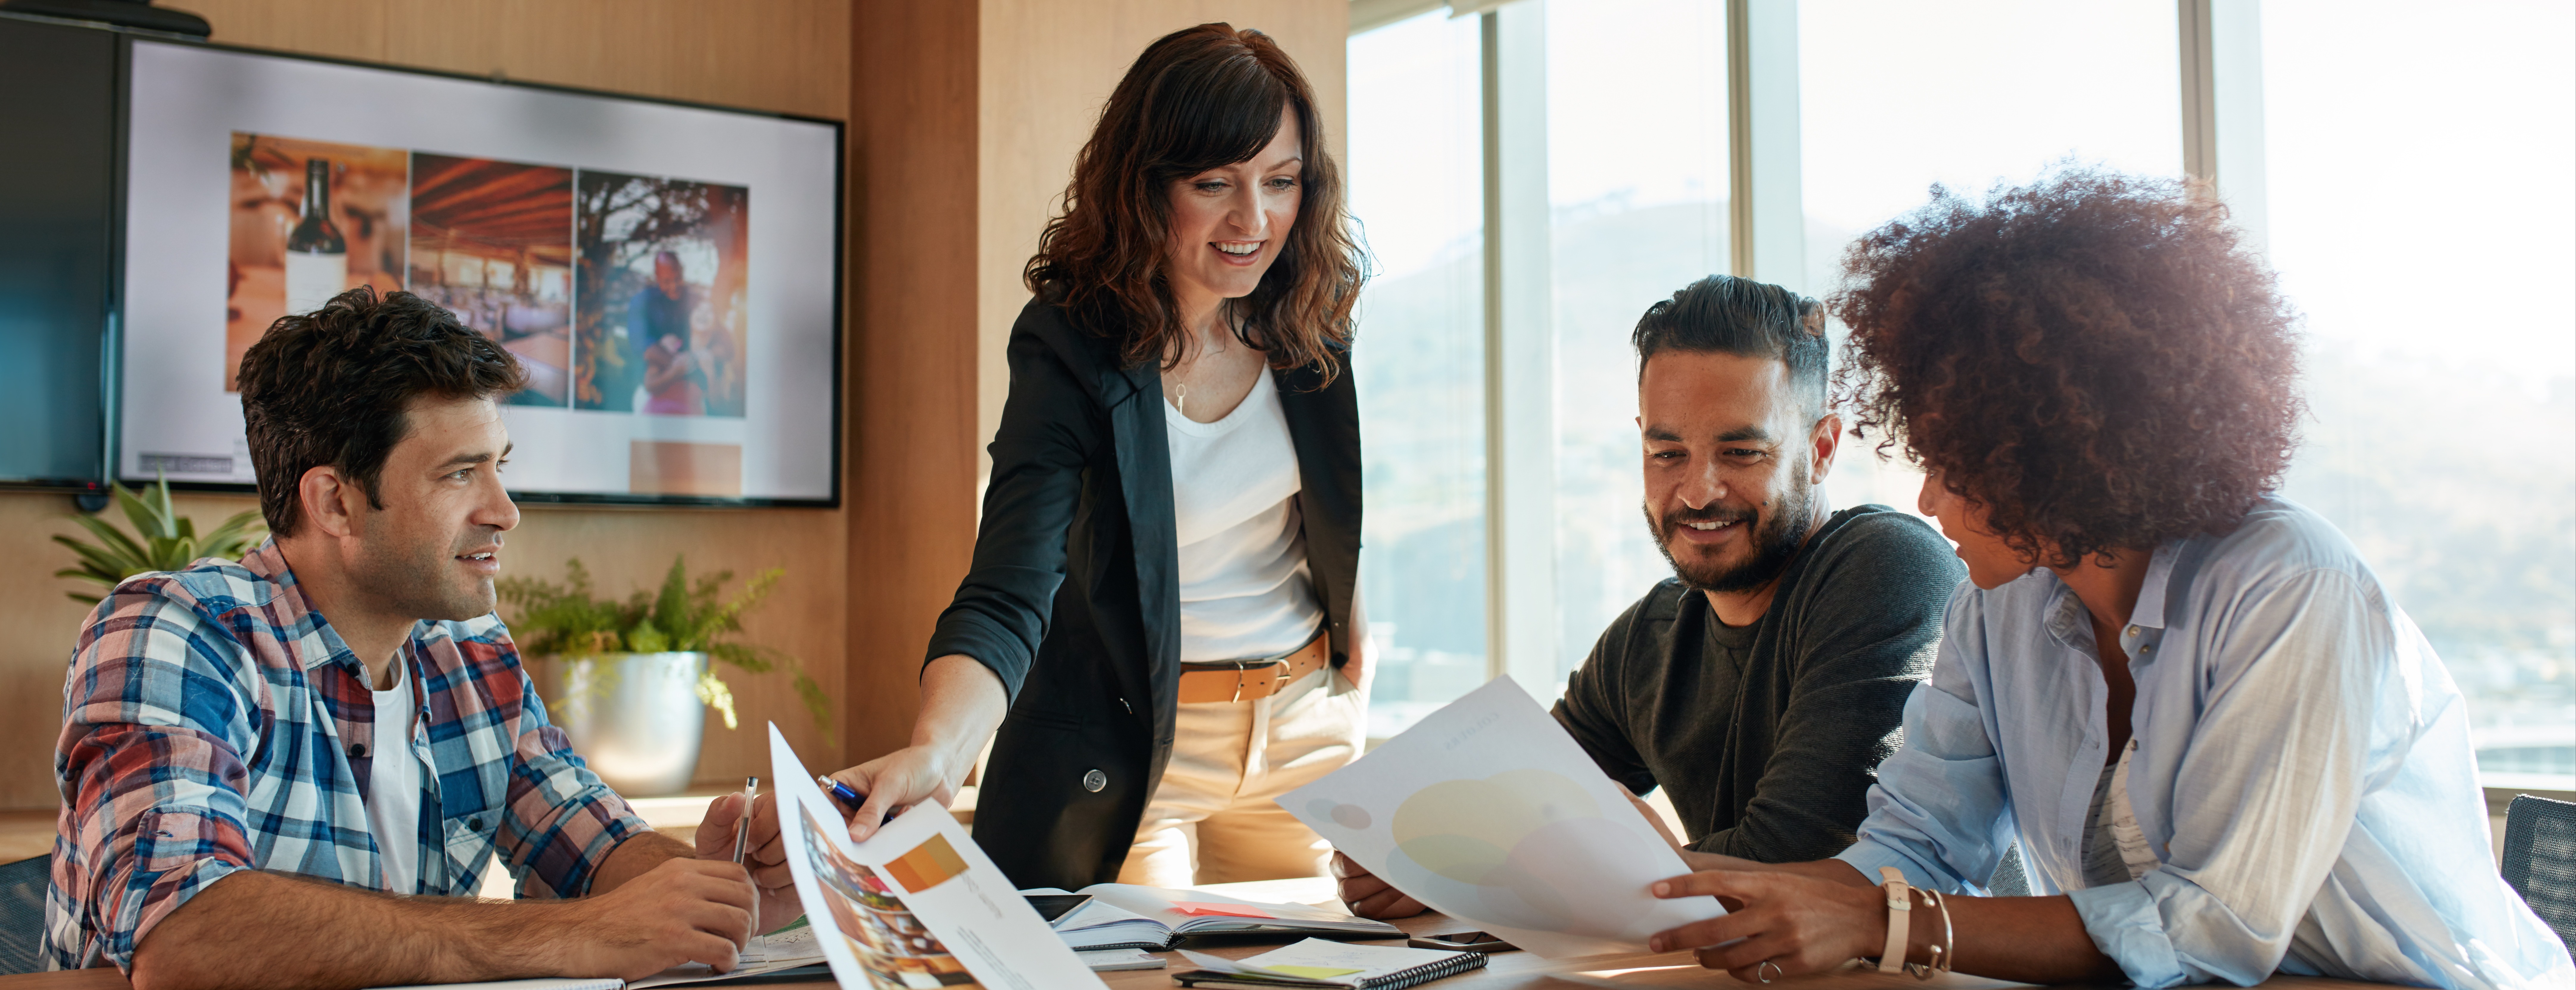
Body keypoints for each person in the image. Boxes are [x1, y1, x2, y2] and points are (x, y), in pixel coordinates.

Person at [1642, 171, 2574, 990]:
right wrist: (1683, 889)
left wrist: (1895, 926)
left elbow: (2216, 922)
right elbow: (1916, 844)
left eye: (1954, 462)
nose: (1926, 499)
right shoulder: (1994, 609)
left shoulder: (2292, 587)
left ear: (2056, 456)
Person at [43, 288, 811, 990]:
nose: (506, 511)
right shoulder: (177, 633)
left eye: (498, 468)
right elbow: (180, 932)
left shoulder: (470, 652)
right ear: (336, 503)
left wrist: (726, 892)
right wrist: (574, 936)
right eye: (459, 475)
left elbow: (594, 846)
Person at [824, 24, 1369, 891]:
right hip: (1137, 745)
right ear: (1146, 186)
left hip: (1306, 732)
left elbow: (1324, 492)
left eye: (1282, 181)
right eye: (1214, 183)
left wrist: (1353, 623)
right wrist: (941, 748)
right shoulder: (1072, 343)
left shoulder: (1312, 306)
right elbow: (1011, 583)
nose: (1254, 220)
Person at [1334, 276, 1965, 918]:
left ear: (1821, 448)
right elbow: (1506, 811)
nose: (1696, 492)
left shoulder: (1888, 568)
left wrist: (1557, 859)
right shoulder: (1649, 638)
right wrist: (1411, 864)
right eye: (1667, 452)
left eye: (1741, 452)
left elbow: (1791, 867)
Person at [630, 250, 705, 415]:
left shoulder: (695, 300)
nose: (674, 286)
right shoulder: (642, 303)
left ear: (682, 272)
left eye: (677, 279)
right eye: (666, 281)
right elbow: (642, 347)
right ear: (657, 278)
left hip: (690, 391)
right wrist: (684, 367)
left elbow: (718, 340)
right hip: (651, 391)